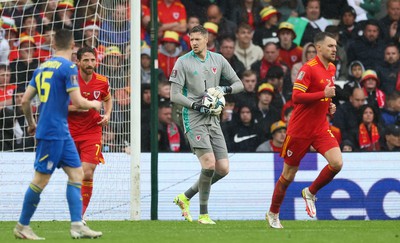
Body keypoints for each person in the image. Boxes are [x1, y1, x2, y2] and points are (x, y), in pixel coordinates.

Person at [13, 29, 102, 240]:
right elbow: (79, 102)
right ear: (73, 45)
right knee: (40, 180)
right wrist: (94, 103)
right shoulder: (69, 67)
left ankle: (77, 225)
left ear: (53, 44)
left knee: (77, 174)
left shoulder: (42, 67)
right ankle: (22, 226)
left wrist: (31, 123)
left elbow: (25, 100)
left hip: (61, 132)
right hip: (52, 132)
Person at [266, 32, 343, 229]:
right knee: (288, 176)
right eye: (330, 46)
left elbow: (323, 95)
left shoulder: (332, 68)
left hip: (320, 129)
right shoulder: (308, 69)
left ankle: (310, 192)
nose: (334, 49)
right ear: (318, 48)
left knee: (337, 163)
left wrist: (328, 105)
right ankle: (273, 213)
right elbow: (297, 97)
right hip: (299, 130)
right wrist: (323, 95)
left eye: (335, 46)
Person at [169, 25, 244, 224]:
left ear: (206, 39)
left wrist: (223, 89)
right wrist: (196, 105)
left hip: (213, 118)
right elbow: (174, 95)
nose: (193, 43)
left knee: (223, 168)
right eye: (191, 40)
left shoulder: (218, 60)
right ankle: (203, 214)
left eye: (197, 39)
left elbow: (239, 84)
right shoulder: (182, 62)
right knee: (209, 164)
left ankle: (185, 197)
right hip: (193, 117)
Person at [67, 46, 112, 221]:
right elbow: (57, 105)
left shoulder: (102, 80)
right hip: (69, 132)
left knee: (88, 172)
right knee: (74, 174)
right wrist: (78, 107)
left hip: (92, 131)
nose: (90, 63)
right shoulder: (69, 80)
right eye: (86, 60)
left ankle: (79, 215)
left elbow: (108, 99)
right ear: (78, 62)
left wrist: (107, 114)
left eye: (92, 60)